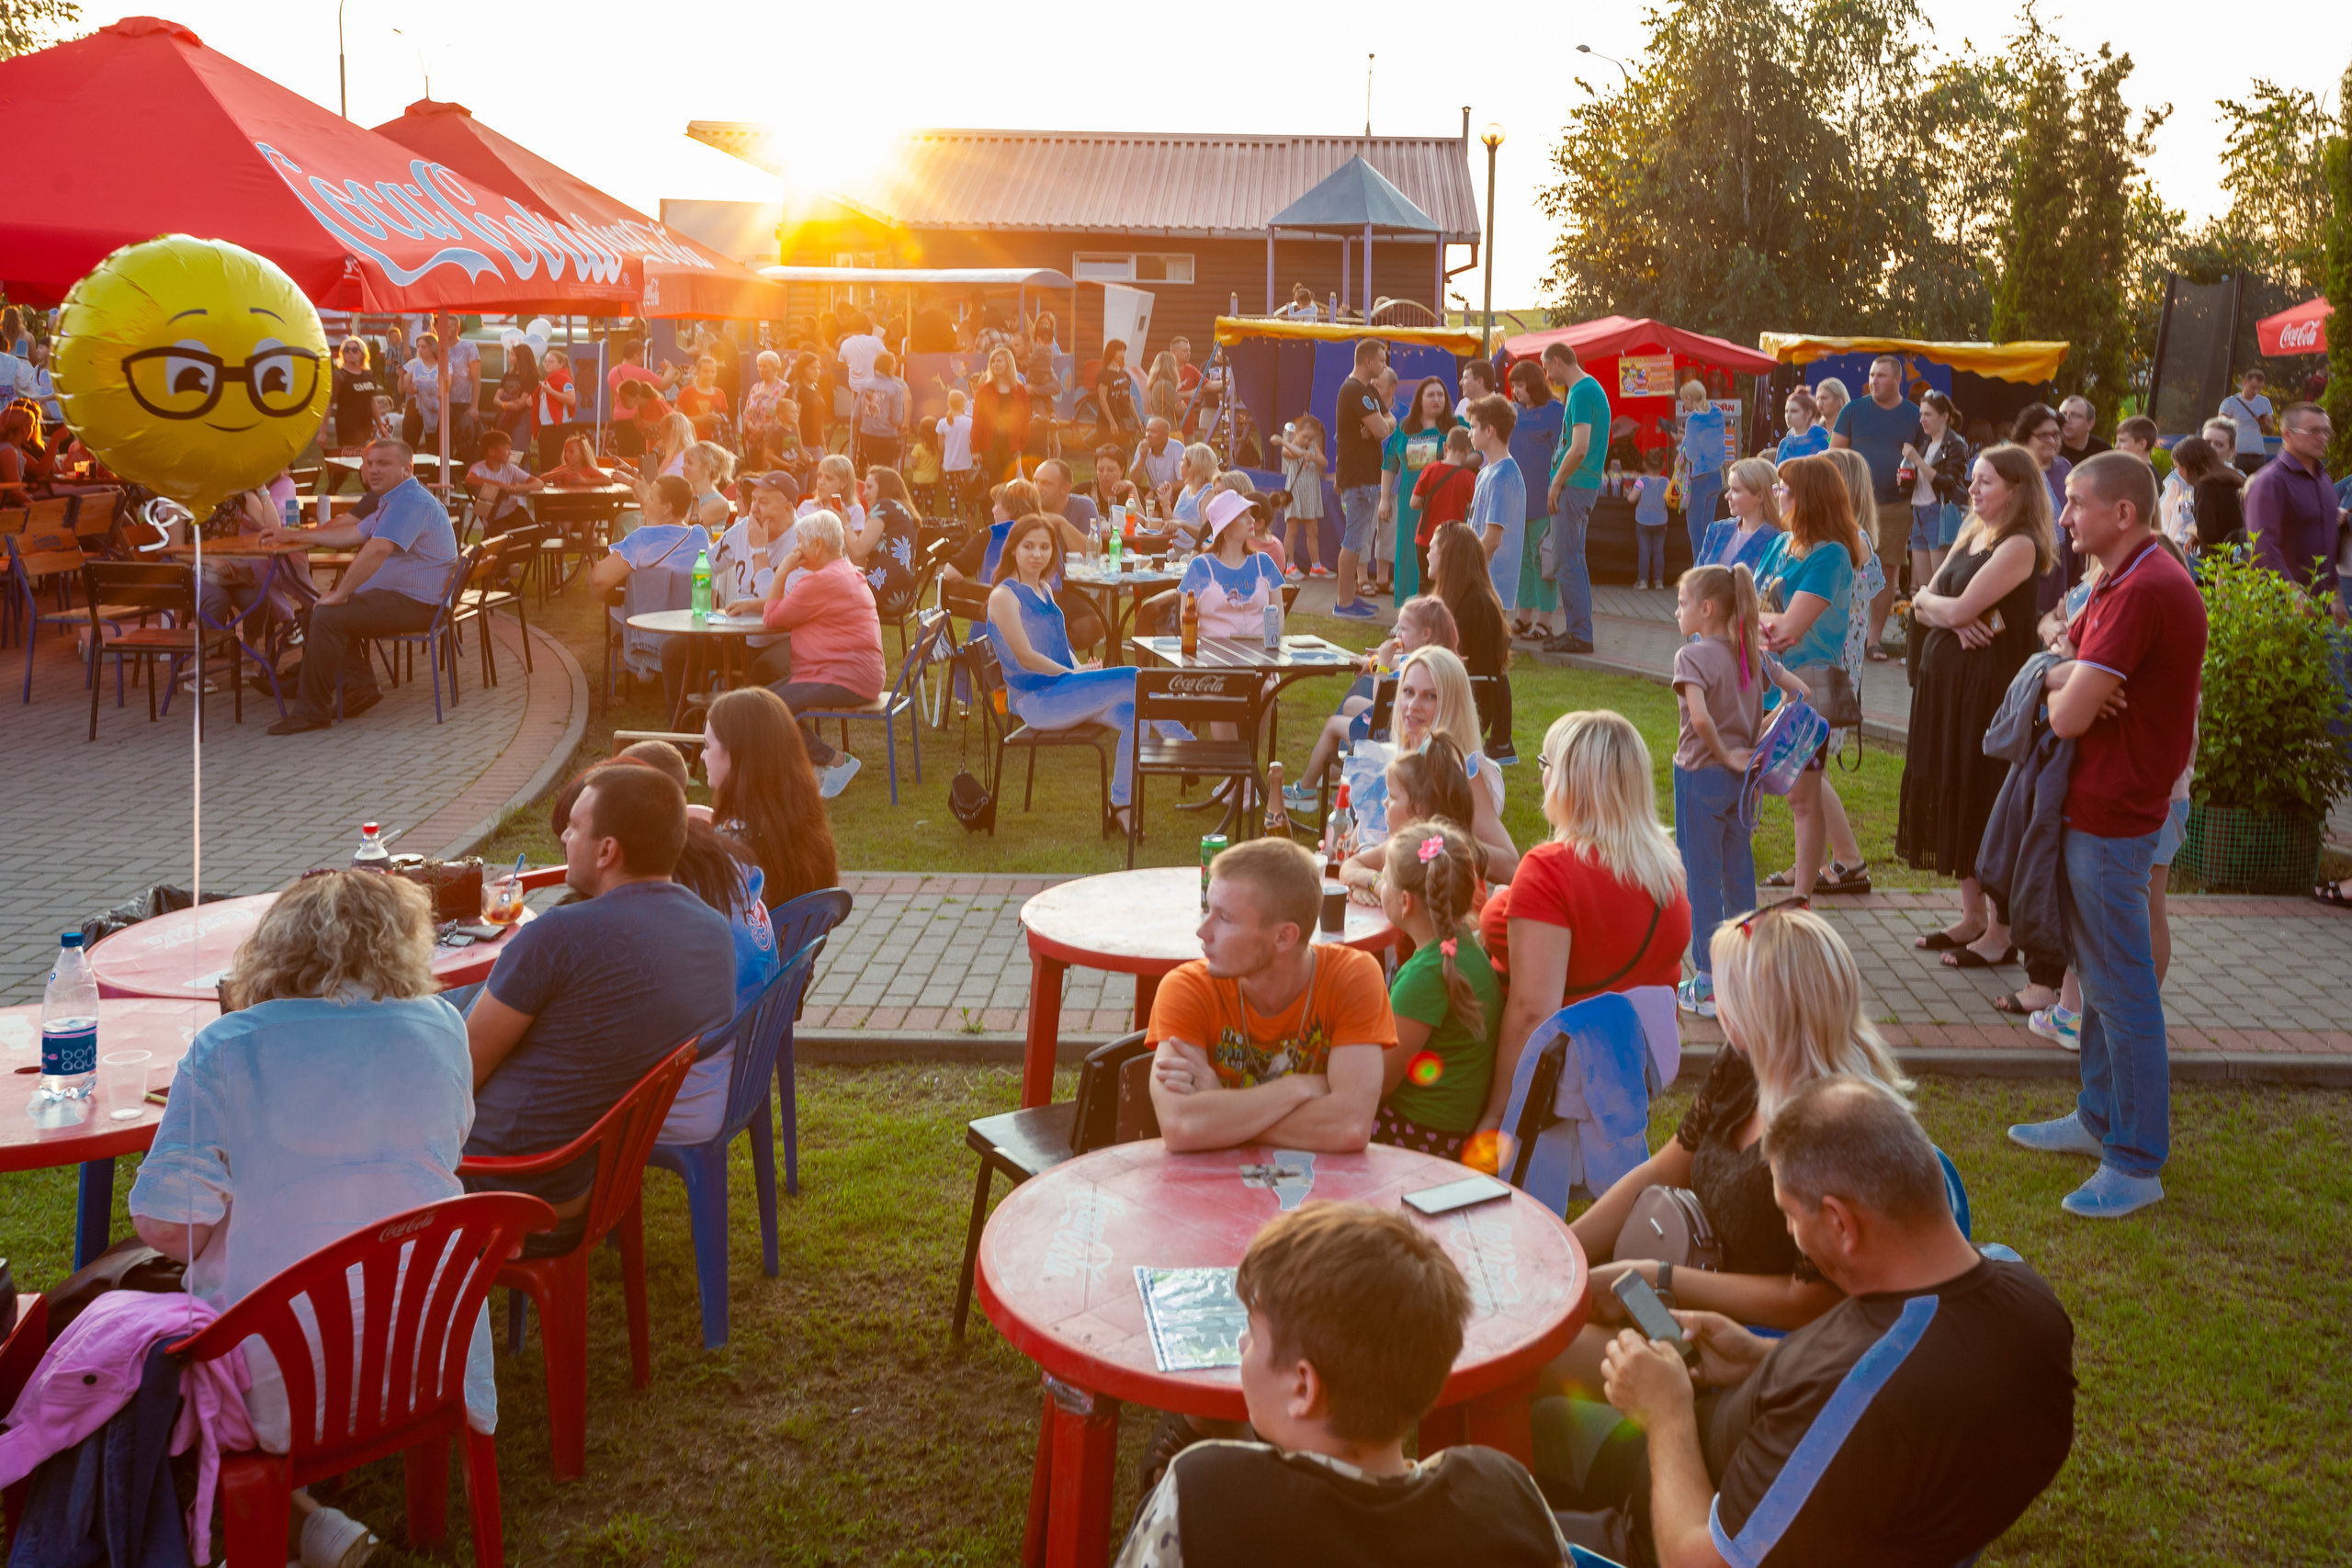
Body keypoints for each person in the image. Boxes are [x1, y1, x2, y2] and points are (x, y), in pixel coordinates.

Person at [1546, 1077, 2075, 1568]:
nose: (1794, 1238)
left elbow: (1699, 1560)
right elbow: (1882, 1395)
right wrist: (1760, 1359)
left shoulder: (1859, 1390)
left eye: (1791, 1216)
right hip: (1723, 1443)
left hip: (1663, 1517)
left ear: (1841, 1223)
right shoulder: (2024, 1294)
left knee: (1481, 1510)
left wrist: (1667, 1414)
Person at [128, 870, 496, 1525]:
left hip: (275, 1375)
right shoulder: (442, 1025)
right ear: (402, 944)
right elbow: (445, 1144)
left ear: (273, 949)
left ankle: (292, 1522)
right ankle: (321, 1523)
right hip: (427, 1342)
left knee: (119, 1305)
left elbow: (166, 1225)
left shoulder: (227, 1046)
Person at [1554, 904, 1913, 1411]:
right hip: (1683, 1302)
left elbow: (1809, 1301)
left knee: (1540, 1349)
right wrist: (1560, 1251)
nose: (1715, 1002)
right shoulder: (1744, 1063)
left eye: (1724, 991)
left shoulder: (1839, 1131)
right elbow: (1665, 1166)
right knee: (1542, 1317)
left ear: (1763, 1012)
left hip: (1743, 1350)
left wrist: (1660, 1278)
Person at [1118, 1203, 1574, 1568]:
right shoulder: (1506, 1493)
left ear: (1303, 1388)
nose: (1241, 1343)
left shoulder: (1204, 1494)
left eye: (1253, 1335)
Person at [2008, 452, 2208, 1218]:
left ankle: (2135, 1159)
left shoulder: (2147, 586)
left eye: (2077, 503)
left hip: (2115, 816)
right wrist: (2068, 670)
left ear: (2123, 514)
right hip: (2095, 808)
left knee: (2123, 994)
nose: (2064, 516)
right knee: (2098, 983)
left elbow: (2060, 714)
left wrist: (2063, 679)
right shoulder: (2123, 579)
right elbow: (2057, 662)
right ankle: (2097, 1118)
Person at [463, 764, 736, 1240]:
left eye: (575, 827)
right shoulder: (712, 933)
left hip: (510, 1177)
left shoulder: (556, 936)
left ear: (608, 850)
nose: (565, 836)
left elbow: (458, 1073)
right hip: (601, 1173)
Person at [1477, 711, 1691, 1135]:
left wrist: (1496, 1116)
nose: (1541, 777)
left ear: (1568, 781)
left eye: (1545, 765)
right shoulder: (1665, 865)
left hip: (1557, 1077)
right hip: (1625, 1068)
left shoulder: (1551, 871)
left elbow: (1530, 1012)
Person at [1897, 444, 2054, 976]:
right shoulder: (1971, 533)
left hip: (1986, 693)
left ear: (2015, 489)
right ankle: (1969, 916)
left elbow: (1944, 603)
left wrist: (1941, 610)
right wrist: (1945, 613)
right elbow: (1922, 595)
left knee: (1985, 795)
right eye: (1973, 479)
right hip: (1945, 687)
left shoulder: (2020, 545)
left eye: (1984, 481)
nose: (1973, 489)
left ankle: (2000, 931)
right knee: (1952, 787)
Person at [1147, 837, 1394, 1151]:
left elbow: (1349, 1127)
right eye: (1209, 910)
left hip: (1323, 1196)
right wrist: (1298, 1088)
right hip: (1210, 1189)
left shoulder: (1352, 978)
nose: (1202, 931)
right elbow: (1181, 1126)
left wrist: (1222, 1107)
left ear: (1283, 937)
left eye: (1224, 918)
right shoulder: (1186, 988)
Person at [1671, 565, 1807, 1016]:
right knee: (1738, 872)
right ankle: (1745, 971)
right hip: (1742, 783)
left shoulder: (1690, 657)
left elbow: (1701, 719)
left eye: (1682, 602)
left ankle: (1708, 983)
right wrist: (1759, 739)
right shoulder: (1749, 652)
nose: (1677, 611)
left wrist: (1724, 752)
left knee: (1702, 878)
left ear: (1706, 609)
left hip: (1700, 776)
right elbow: (1798, 693)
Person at [262, 439, 458, 735]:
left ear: (407, 469)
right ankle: (357, 687)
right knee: (320, 613)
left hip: (420, 605)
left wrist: (340, 593)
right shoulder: (392, 500)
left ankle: (311, 711)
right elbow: (351, 533)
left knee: (327, 615)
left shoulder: (410, 502)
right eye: (370, 464)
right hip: (408, 598)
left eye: (384, 464)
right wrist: (292, 536)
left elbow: (377, 549)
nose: (373, 470)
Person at [1752, 456, 1869, 897]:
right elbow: (1757, 611)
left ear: (1810, 497)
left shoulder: (1833, 556)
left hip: (1803, 689)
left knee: (1803, 794)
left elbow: (1788, 628)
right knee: (1796, 789)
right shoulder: (1781, 544)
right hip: (1766, 681)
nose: (1778, 495)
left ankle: (1802, 896)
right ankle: (1813, 873)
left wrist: (1740, 621)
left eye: (1786, 489)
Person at [987, 513, 1139, 830]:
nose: (1037, 554)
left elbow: (1060, 641)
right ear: (1013, 548)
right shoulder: (1004, 596)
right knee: (1134, 676)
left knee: (1132, 713)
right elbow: (1026, 658)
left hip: (1062, 692)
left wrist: (1079, 667)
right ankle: (1188, 752)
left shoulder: (1044, 588)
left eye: (1044, 547)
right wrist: (1075, 676)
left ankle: (1121, 805)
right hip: (1036, 702)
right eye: (1029, 546)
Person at [1364, 818, 1504, 1160]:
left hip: (1416, 1138)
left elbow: (1377, 1086)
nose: (1379, 884)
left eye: (1383, 878)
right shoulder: (1462, 950)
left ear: (1405, 902)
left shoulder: (1427, 976)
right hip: (1442, 1134)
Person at [719, 508, 882, 795]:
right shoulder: (843, 571)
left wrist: (782, 569)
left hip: (843, 676)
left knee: (767, 709)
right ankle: (805, 768)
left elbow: (772, 619)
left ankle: (834, 762)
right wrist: (755, 602)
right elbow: (786, 608)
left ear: (817, 545)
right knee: (759, 702)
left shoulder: (818, 580)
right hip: (847, 672)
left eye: (799, 543)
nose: (796, 549)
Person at [1338, 648, 1518, 886]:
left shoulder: (1458, 771)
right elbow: (1370, 845)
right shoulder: (1394, 761)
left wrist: (1445, 841)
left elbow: (1510, 866)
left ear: (1452, 705)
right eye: (1408, 692)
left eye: (1430, 696)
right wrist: (1348, 845)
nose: (1413, 705)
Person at [1287, 594, 1460, 806]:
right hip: (1419, 729)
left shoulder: (1414, 670)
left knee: (1333, 724)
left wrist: (1382, 667)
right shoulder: (1437, 659)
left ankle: (1306, 790)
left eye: (1403, 629)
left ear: (1425, 634)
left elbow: (1380, 705)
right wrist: (1375, 659)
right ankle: (1344, 768)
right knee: (1352, 704)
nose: (1395, 633)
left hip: (1390, 735)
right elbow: (1399, 661)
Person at [702, 683, 841, 911]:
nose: (702, 756)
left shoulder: (729, 846)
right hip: (793, 946)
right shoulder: (804, 826)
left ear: (736, 755)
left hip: (746, 947)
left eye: (707, 746)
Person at [1828, 355, 1920, 658]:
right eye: (1871, 374)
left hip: (1896, 505)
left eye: (1881, 375)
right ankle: (1839, 631)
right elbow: (1834, 457)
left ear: (1897, 379)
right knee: (1845, 564)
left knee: (1888, 567)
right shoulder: (1852, 410)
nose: (1874, 380)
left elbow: (1924, 460)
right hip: (1853, 505)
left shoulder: (1914, 415)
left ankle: (1873, 640)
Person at [1542, 342, 1611, 651]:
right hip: (1583, 484)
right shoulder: (1589, 389)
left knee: (1565, 562)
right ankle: (1577, 630)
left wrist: (1556, 482)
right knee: (1574, 560)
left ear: (1557, 361)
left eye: (1546, 367)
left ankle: (1580, 634)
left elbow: (1579, 446)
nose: (1547, 375)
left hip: (1574, 484)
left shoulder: (1581, 392)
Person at [1430, 518, 1515, 760]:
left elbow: (1438, 664)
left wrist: (1381, 664)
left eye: (1432, 548)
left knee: (1359, 699)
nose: (1427, 555)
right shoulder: (1479, 597)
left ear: (1448, 556)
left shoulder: (1467, 607)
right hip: (1468, 706)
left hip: (1456, 710)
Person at [2243, 402, 2342, 595]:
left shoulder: (2324, 480)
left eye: (2326, 432)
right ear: (2287, 434)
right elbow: (2262, 545)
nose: (2322, 438)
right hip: (2284, 609)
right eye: (2313, 431)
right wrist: (2293, 595)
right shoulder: (2269, 482)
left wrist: (2335, 592)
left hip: (2322, 604)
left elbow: (2329, 540)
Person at [1380, 377, 1459, 602]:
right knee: (1407, 554)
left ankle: (1439, 608)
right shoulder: (1404, 429)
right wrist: (1385, 499)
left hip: (1443, 503)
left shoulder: (1455, 426)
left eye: (1441, 394)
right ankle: (1407, 610)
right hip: (1409, 502)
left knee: (1439, 554)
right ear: (1419, 400)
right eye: (1431, 395)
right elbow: (1389, 465)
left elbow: (1474, 455)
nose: (1437, 399)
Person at [1333, 339, 1396, 617]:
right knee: (1354, 539)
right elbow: (1383, 430)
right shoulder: (1355, 390)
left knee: (1358, 540)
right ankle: (1344, 602)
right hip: (1358, 476)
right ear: (1368, 361)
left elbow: (1389, 420)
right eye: (1382, 360)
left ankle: (1350, 598)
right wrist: (1379, 428)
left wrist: (1378, 427)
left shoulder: (1367, 390)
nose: (1384, 365)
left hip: (1366, 474)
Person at [1504, 359, 1566, 642]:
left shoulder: (1555, 411)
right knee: (1523, 561)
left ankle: (1545, 620)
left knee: (1543, 561)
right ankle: (1524, 615)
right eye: (1513, 385)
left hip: (1544, 497)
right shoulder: (1513, 412)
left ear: (1534, 383)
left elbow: (1563, 454)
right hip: (1517, 500)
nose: (1516, 391)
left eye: (1520, 384)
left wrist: (1558, 488)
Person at [1181, 490, 1288, 634]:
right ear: (1225, 527)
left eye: (1251, 514)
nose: (1252, 520)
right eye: (1243, 516)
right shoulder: (1199, 567)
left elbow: (1279, 617)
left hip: (1259, 654)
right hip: (1212, 654)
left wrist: (1270, 648)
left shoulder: (1265, 564)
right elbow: (1186, 624)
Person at [1464, 393, 1525, 622]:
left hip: (1492, 584)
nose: (1469, 433)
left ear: (1489, 431)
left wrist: (1465, 569)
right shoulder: (1485, 473)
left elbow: (1491, 539)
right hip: (1481, 580)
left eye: (1473, 427)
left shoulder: (1503, 476)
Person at [1901, 389, 1971, 584]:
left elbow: (1948, 482)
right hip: (1918, 512)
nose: (1922, 419)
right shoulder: (1925, 445)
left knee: (1938, 584)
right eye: (1921, 414)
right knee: (1924, 585)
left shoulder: (1955, 444)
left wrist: (1916, 460)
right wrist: (1906, 477)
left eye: (1927, 414)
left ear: (1944, 417)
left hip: (1938, 512)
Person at [2011, 402, 2077, 609]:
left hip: (2063, 564)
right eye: (2043, 435)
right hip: (2025, 566)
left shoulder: (2065, 467)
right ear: (2025, 438)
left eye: (2056, 435)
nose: (2052, 441)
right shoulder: (2013, 471)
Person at [1409, 426, 1481, 588]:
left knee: (1426, 585)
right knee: (1448, 587)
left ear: (1445, 448)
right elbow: (1474, 510)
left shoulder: (1430, 469)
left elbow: (1414, 503)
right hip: (1452, 541)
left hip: (1425, 537)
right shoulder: (1469, 477)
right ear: (1468, 450)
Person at [1691, 453, 1780, 581]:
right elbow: (1695, 580)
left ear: (1759, 496)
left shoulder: (1777, 541)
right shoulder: (1716, 530)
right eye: (1729, 488)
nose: (1727, 496)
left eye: (1736, 490)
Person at [1675, 379, 1730, 575]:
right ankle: (1710, 567)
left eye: (1684, 400)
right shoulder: (1717, 413)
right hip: (1716, 477)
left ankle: (1699, 572)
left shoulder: (1693, 420)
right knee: (1708, 527)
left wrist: (1682, 442)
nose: (1685, 404)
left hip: (1698, 479)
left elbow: (1690, 454)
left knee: (1695, 530)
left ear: (1689, 398)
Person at [2168, 434, 2245, 553]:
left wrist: (2191, 529)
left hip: (2219, 561)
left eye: (2177, 467)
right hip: (2240, 553)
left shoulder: (2206, 485)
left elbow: (2207, 533)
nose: (2177, 473)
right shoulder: (2232, 477)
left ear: (2188, 466)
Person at [1276, 413, 1329, 578]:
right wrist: (1283, 441)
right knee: (1291, 530)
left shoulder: (1312, 446)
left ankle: (1316, 566)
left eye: (1310, 438)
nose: (1306, 441)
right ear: (1297, 432)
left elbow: (1325, 462)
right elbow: (1289, 453)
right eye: (1304, 436)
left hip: (1311, 493)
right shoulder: (1290, 446)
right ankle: (1289, 565)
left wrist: (1312, 456)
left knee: (1313, 531)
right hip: (1295, 493)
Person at [467, 428, 544, 536]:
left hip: (514, 511)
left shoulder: (509, 468)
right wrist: (501, 485)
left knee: (531, 532)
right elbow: (469, 479)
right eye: (507, 449)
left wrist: (518, 488)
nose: (510, 453)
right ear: (492, 452)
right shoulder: (479, 468)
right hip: (494, 518)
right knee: (508, 538)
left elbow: (539, 483)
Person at [854, 351, 908, 474]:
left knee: (873, 467)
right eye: (895, 364)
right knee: (885, 470)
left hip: (867, 434)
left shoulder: (864, 384)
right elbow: (897, 420)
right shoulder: (895, 388)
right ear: (890, 366)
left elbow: (856, 414)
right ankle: (884, 492)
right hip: (886, 437)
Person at [328, 338, 383, 451]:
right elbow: (330, 403)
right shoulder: (339, 376)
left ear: (362, 353)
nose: (350, 353)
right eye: (346, 350)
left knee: (366, 460)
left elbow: (371, 400)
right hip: (347, 425)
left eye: (354, 350)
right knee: (351, 458)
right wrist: (322, 432)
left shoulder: (368, 374)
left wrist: (380, 425)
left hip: (366, 424)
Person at [1629, 446, 1673, 588]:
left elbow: (1631, 499)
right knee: (1659, 551)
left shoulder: (1641, 481)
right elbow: (1671, 500)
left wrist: (1627, 492)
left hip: (1643, 522)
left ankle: (1643, 581)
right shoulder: (1667, 482)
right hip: (1661, 521)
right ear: (1663, 465)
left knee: (1644, 550)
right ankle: (1659, 581)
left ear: (1644, 464)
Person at [2219, 367, 2275, 476]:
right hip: (2237, 454)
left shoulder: (2264, 402)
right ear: (2244, 383)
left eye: (2260, 388)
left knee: (2257, 489)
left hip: (2257, 454)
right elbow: (2221, 427)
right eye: (2253, 387)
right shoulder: (2229, 403)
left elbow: (2270, 431)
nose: (2256, 391)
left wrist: (2262, 422)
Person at [398, 331, 444, 455]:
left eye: (424, 347)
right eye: (418, 346)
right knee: (409, 443)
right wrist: (402, 377)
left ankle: (434, 473)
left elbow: (445, 387)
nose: (420, 349)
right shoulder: (414, 364)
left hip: (435, 407)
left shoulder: (443, 365)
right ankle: (408, 471)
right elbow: (402, 389)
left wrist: (420, 388)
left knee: (434, 445)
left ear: (433, 347)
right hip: (415, 406)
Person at [534, 345, 579, 472]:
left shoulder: (566, 380)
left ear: (560, 364)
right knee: (546, 463)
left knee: (558, 462)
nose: (547, 364)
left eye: (551, 362)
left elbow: (571, 399)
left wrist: (550, 391)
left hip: (560, 427)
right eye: (545, 362)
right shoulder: (548, 380)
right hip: (546, 426)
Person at [492, 342, 539, 455]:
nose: (509, 357)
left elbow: (520, 404)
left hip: (522, 419)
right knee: (503, 449)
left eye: (512, 355)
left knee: (519, 451)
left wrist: (504, 401)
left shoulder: (531, 377)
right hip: (505, 417)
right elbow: (495, 398)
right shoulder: (508, 374)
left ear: (521, 357)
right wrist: (506, 404)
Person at [1095, 337, 1141, 451]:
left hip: (1124, 422)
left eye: (1124, 351)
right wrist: (1112, 422)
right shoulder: (1104, 374)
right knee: (1109, 453)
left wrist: (1137, 419)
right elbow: (1102, 399)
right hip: (1107, 424)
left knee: (1123, 455)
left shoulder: (1125, 375)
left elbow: (1128, 398)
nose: (1122, 353)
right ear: (1111, 352)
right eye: (1119, 350)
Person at [681, 440, 734, 536]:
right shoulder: (684, 494)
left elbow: (681, 525)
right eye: (684, 462)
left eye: (690, 463)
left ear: (707, 468)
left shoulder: (719, 503)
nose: (683, 467)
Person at [1171, 440, 1221, 541]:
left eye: (1182, 460)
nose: (1179, 464)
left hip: (1195, 553)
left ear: (1192, 467)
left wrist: (1183, 525)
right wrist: (1164, 503)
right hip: (1177, 552)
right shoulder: (1187, 488)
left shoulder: (1208, 494)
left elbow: (1208, 535)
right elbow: (1173, 524)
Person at [1774, 387, 1829, 463]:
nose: (1788, 416)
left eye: (1794, 411)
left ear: (1808, 414)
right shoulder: (1784, 444)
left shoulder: (1820, 443)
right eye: (1786, 411)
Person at [2055, 394, 2107, 468]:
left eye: (2075, 415)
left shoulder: (2103, 453)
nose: (2066, 419)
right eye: (2063, 414)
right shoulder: (2050, 447)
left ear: (2090, 424)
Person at [1145, 355, 1184, 430]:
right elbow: (1180, 410)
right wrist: (1184, 406)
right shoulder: (1166, 385)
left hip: (1158, 423)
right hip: (1169, 426)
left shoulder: (1155, 383)